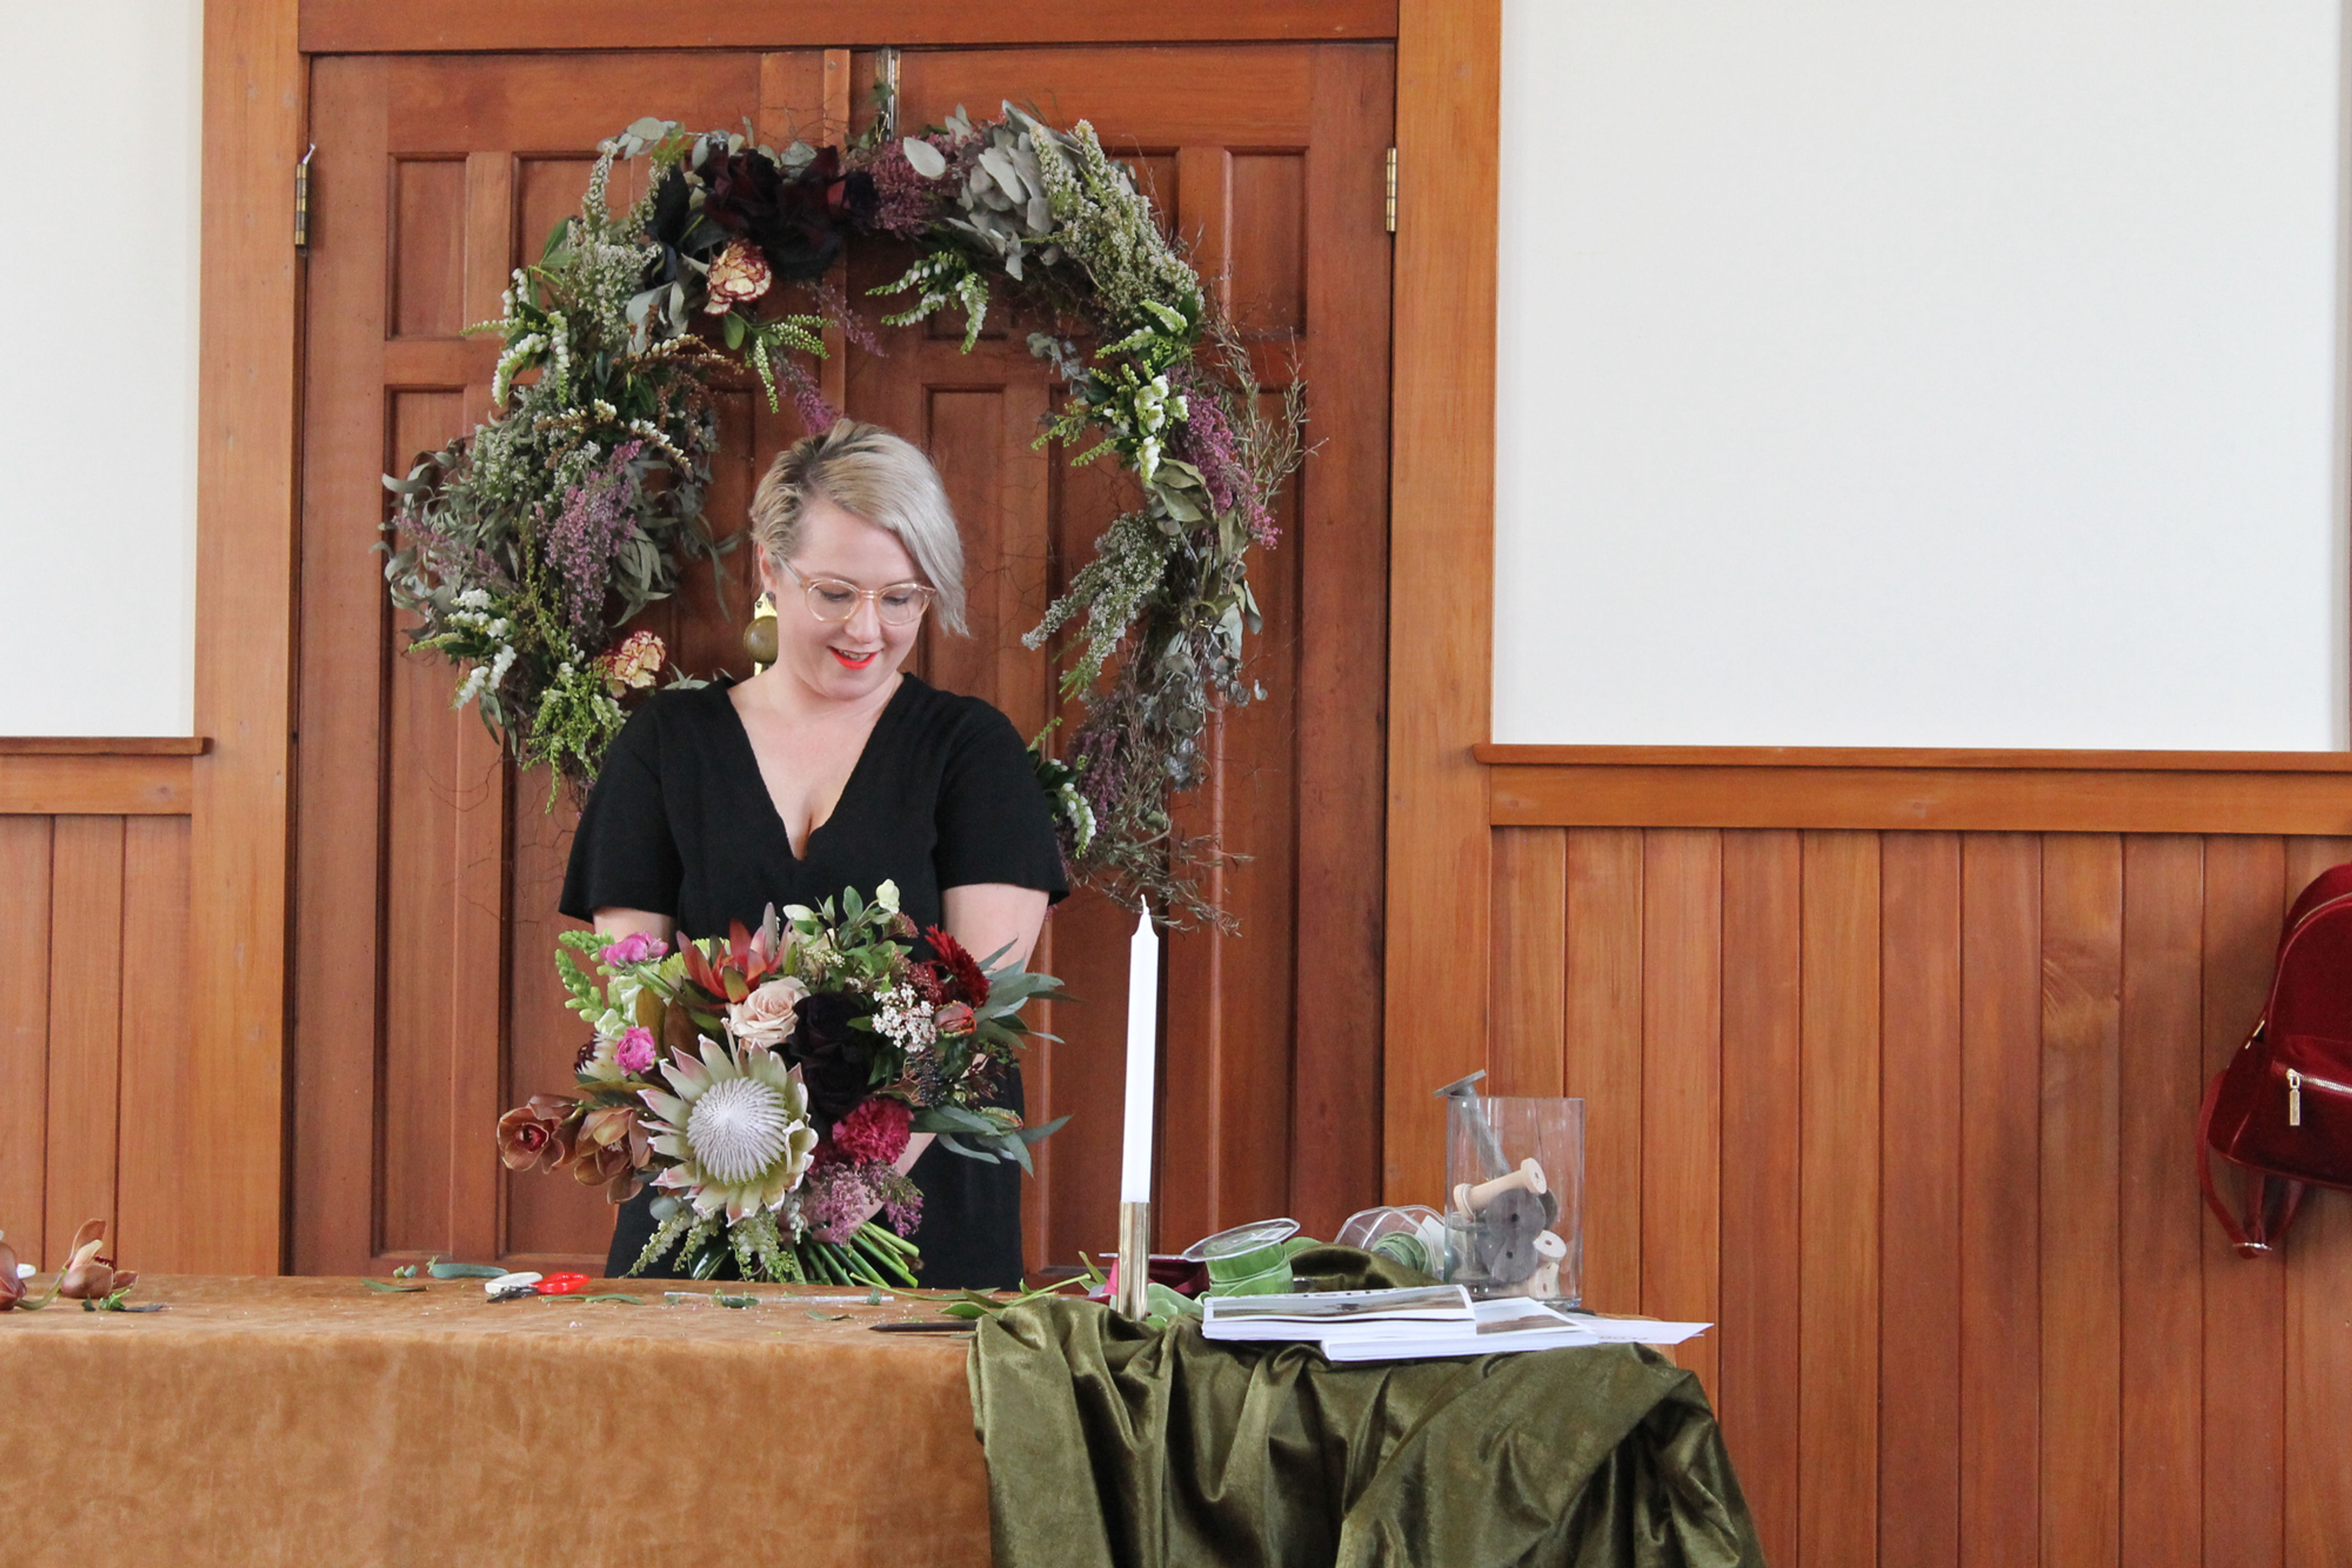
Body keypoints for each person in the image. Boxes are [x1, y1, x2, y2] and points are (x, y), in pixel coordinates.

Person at [559, 420, 1066, 1288]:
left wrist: (844, 1193)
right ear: (770, 568)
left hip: (917, 1220)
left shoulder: (973, 752)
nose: (868, 629)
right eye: (835, 593)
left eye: (902, 599)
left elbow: (973, 1020)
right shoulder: (665, 747)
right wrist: (741, 1182)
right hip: (706, 1212)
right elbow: (633, 1012)